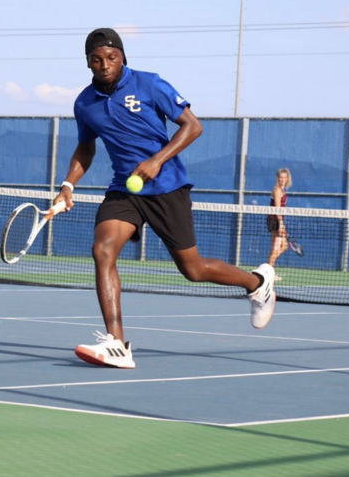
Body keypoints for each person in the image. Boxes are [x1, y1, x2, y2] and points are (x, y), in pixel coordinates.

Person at [53, 28, 276, 370]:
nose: (105, 65)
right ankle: (117, 344)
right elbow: (86, 148)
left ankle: (258, 283)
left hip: (168, 186)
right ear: (88, 63)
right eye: (97, 59)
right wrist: (68, 185)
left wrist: (157, 160)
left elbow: (192, 126)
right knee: (103, 249)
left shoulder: (150, 84)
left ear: (123, 57)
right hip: (124, 190)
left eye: (111, 57)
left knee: (193, 269)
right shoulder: (84, 103)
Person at [266, 168, 293, 280]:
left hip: (278, 220)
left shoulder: (282, 190)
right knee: (277, 248)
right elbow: (277, 208)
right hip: (275, 221)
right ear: (277, 178)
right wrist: (281, 223)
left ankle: (269, 271)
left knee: (282, 247)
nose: (282, 180)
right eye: (280, 177)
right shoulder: (277, 190)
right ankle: (268, 272)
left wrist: (282, 222)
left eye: (284, 177)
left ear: (287, 179)